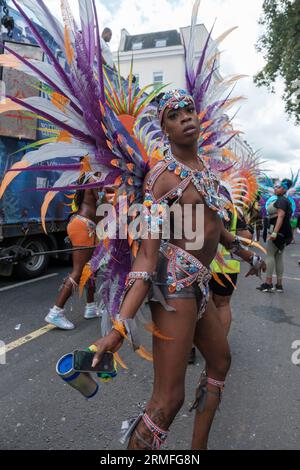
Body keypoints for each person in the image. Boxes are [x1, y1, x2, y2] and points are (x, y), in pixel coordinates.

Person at [91, 90, 266, 450]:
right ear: (165, 129)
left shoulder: (207, 172)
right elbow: (146, 256)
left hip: (199, 284)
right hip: (172, 286)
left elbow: (213, 224)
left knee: (220, 361)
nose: (186, 117)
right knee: (166, 401)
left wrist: (241, 250)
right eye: (175, 114)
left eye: (189, 110)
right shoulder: (160, 180)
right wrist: (121, 324)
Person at [45, 175, 105, 330]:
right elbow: (102, 202)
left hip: (88, 225)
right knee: (78, 271)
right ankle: (56, 312)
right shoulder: (93, 179)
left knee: (92, 268)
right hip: (83, 225)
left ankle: (90, 307)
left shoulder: (89, 178)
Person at [257, 179, 293, 293]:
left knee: (270, 256)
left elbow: (281, 217)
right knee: (278, 257)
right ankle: (279, 285)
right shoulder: (286, 201)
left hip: (278, 233)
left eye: (278, 187)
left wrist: (274, 233)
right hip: (284, 233)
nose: (275, 188)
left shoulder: (281, 201)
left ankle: (268, 283)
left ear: (284, 189)